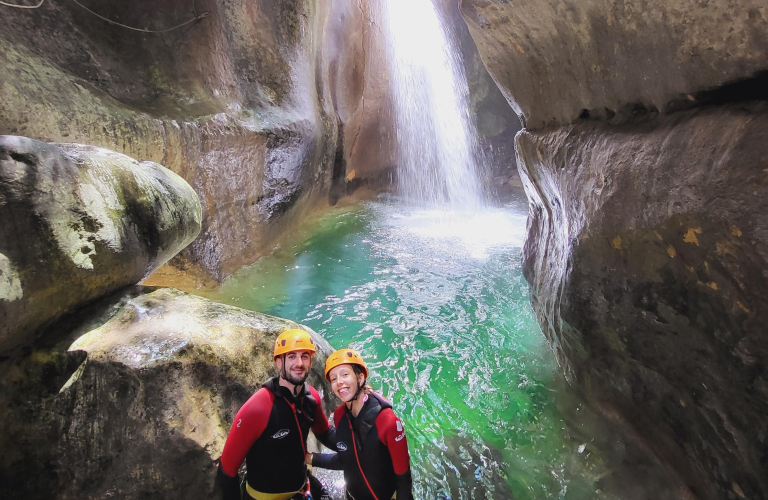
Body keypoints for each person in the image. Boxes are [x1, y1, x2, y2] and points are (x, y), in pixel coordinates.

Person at [217, 329, 336, 500]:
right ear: (279, 362)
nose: (299, 363)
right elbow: (227, 470)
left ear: (310, 362)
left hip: (302, 488)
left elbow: (326, 433)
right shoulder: (257, 408)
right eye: (292, 356)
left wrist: (359, 440)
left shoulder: (311, 399)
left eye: (304, 356)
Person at [308, 348, 414, 500]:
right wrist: (309, 457)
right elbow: (348, 458)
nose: (339, 382)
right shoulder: (340, 416)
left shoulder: (388, 421)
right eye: (333, 379)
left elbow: (404, 481)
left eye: (345, 374)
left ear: (360, 377)